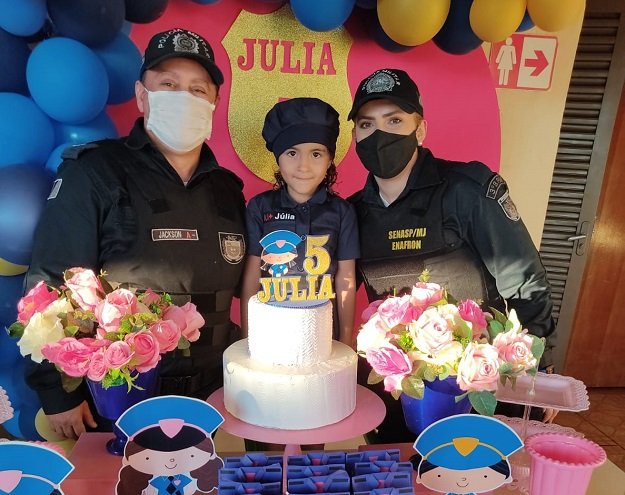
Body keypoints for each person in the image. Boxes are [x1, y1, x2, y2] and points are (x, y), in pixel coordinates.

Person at [24, 28, 247, 440]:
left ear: (214, 103)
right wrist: (56, 393)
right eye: (169, 85)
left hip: (211, 398)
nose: (184, 97)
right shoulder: (94, 172)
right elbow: (50, 284)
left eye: (197, 89)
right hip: (116, 399)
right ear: (142, 96)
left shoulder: (228, 190)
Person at [347, 68, 557, 443]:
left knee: (480, 470)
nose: (380, 135)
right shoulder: (351, 213)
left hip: (481, 385)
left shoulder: (466, 190)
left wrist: (537, 370)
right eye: (367, 124)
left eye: (394, 120)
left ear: (420, 130)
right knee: (400, 469)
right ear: (355, 137)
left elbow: (525, 281)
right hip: (399, 389)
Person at [240, 97, 359, 346]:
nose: (303, 166)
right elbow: (252, 274)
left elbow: (345, 278)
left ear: (329, 159)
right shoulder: (260, 207)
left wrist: (346, 338)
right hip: (270, 332)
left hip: (324, 335)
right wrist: (247, 338)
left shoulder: (342, 211)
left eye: (316, 154)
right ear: (278, 158)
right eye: (292, 153)